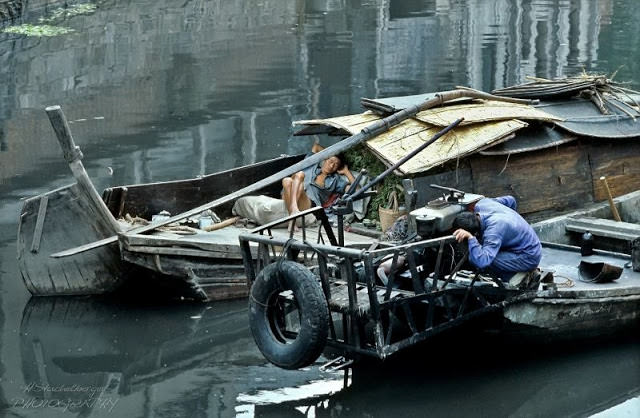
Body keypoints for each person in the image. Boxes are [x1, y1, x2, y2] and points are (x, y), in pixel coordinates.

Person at [452, 195, 541, 281]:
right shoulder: (483, 203)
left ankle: (519, 276)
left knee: (475, 257)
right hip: (528, 243)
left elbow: (482, 261)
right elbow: (511, 200)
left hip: (529, 256)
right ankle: (517, 269)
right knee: (483, 250)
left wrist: (471, 238)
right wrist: (511, 228)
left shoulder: (493, 232)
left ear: (475, 233)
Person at [281, 142, 355, 223]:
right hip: (290, 196)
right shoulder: (312, 164)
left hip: (311, 206)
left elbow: (356, 190)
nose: (331, 166)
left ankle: (292, 213)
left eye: (336, 165)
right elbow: (316, 147)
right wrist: (330, 154)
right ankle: (293, 212)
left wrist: (346, 172)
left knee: (299, 176)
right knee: (288, 180)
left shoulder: (335, 180)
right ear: (325, 159)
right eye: (331, 161)